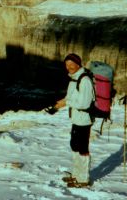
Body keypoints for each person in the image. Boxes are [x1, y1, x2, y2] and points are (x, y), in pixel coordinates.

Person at [49, 53, 95, 188]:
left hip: (84, 120)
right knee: (74, 145)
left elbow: (84, 104)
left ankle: (83, 179)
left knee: (82, 148)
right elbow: (69, 97)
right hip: (76, 119)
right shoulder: (73, 80)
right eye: (66, 65)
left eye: (71, 64)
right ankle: (76, 175)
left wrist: (68, 102)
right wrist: (56, 107)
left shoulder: (85, 80)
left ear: (78, 64)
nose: (69, 67)